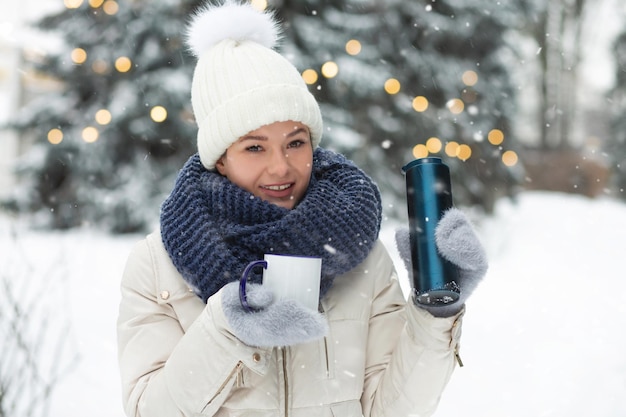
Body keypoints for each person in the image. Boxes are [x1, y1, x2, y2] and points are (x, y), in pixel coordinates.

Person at [116, 1, 488, 416]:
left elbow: (390, 409)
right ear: (220, 157)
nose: (282, 167)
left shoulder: (358, 249)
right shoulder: (157, 265)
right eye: (254, 147)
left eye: (296, 142)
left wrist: (436, 317)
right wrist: (226, 327)